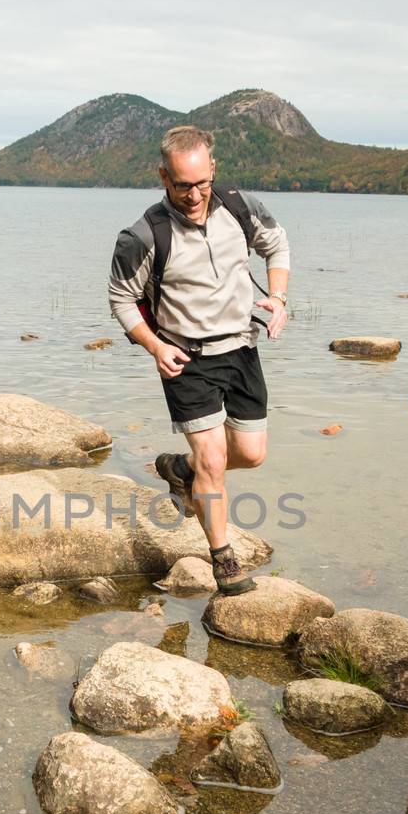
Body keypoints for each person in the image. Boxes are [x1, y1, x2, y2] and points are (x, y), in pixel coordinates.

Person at [107, 125, 291, 595]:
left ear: (213, 169)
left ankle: (182, 471)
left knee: (250, 454)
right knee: (212, 458)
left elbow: (277, 243)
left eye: (201, 183)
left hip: (241, 347)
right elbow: (121, 299)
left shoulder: (239, 206)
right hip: (185, 358)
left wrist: (279, 297)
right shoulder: (144, 235)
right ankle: (223, 562)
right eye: (182, 185)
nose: (193, 195)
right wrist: (154, 345)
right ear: (163, 176)